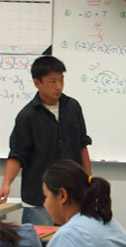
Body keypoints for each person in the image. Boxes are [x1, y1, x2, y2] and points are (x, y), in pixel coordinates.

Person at [0, 56, 92, 225]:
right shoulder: (27, 116)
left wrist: (89, 178)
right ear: (37, 83)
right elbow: (17, 155)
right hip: (39, 197)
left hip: (73, 194)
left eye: (61, 80)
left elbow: (82, 145)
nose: (58, 86)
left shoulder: (73, 107)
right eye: (52, 81)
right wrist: (6, 184)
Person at [42, 159, 126, 247]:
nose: (44, 204)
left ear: (62, 196)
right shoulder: (113, 225)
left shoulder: (68, 236)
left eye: (46, 196)